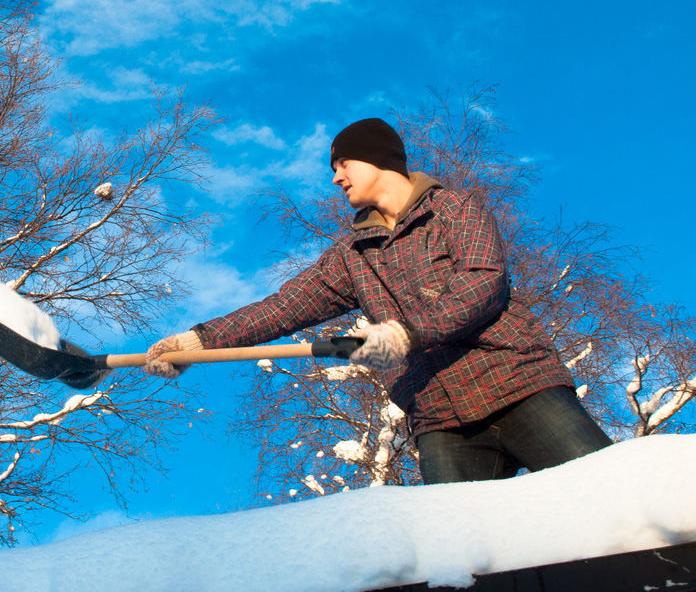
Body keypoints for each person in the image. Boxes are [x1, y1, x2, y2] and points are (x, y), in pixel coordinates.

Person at [146, 118, 612, 484]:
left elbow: (482, 283)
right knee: (458, 563)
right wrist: (197, 340)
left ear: (376, 159)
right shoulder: (352, 256)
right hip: (440, 417)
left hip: (518, 384)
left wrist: (406, 333)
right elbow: (283, 307)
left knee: (616, 502)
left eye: (341, 164)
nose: (336, 179)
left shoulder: (456, 210)